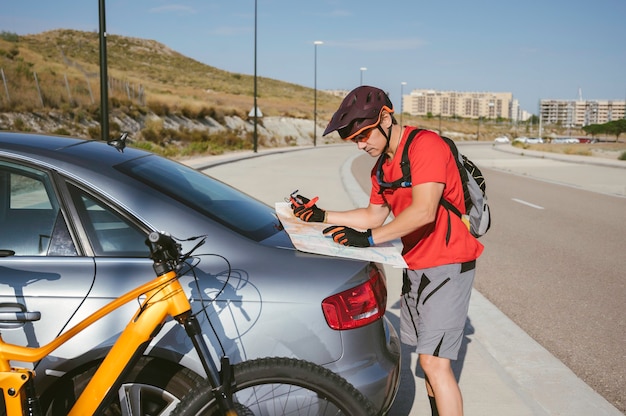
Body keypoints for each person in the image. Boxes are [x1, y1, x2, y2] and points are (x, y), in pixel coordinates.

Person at [289, 85, 483, 416]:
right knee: (427, 361)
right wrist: (321, 216)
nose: (362, 144)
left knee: (435, 365)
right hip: (416, 265)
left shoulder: (426, 147)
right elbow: (372, 214)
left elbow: (424, 211)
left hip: (449, 263)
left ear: (385, 117)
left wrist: (369, 239)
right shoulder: (382, 167)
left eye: (364, 135)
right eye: (354, 140)